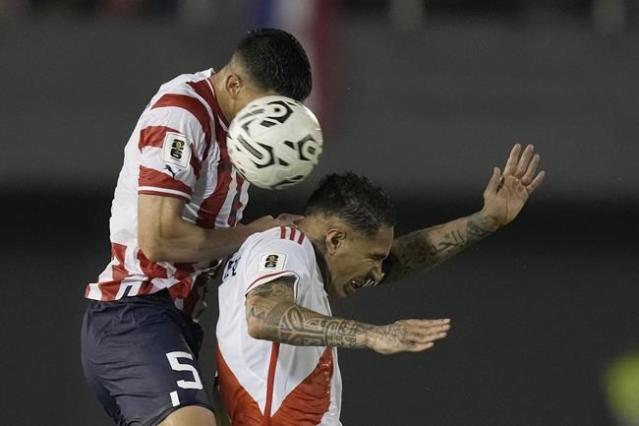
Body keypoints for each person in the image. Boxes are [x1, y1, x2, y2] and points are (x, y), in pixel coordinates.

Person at [215, 144, 544, 425]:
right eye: (372, 258)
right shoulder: (283, 245)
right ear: (335, 239)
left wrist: (485, 221)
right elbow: (263, 315)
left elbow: (400, 259)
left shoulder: (298, 259)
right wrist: (371, 334)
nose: (377, 273)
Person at [80, 28, 312, 426]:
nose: (269, 129)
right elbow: (159, 239)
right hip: (132, 315)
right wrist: (252, 234)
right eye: (264, 112)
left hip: (175, 323)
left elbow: (212, 241)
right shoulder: (183, 112)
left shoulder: (239, 135)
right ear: (233, 83)